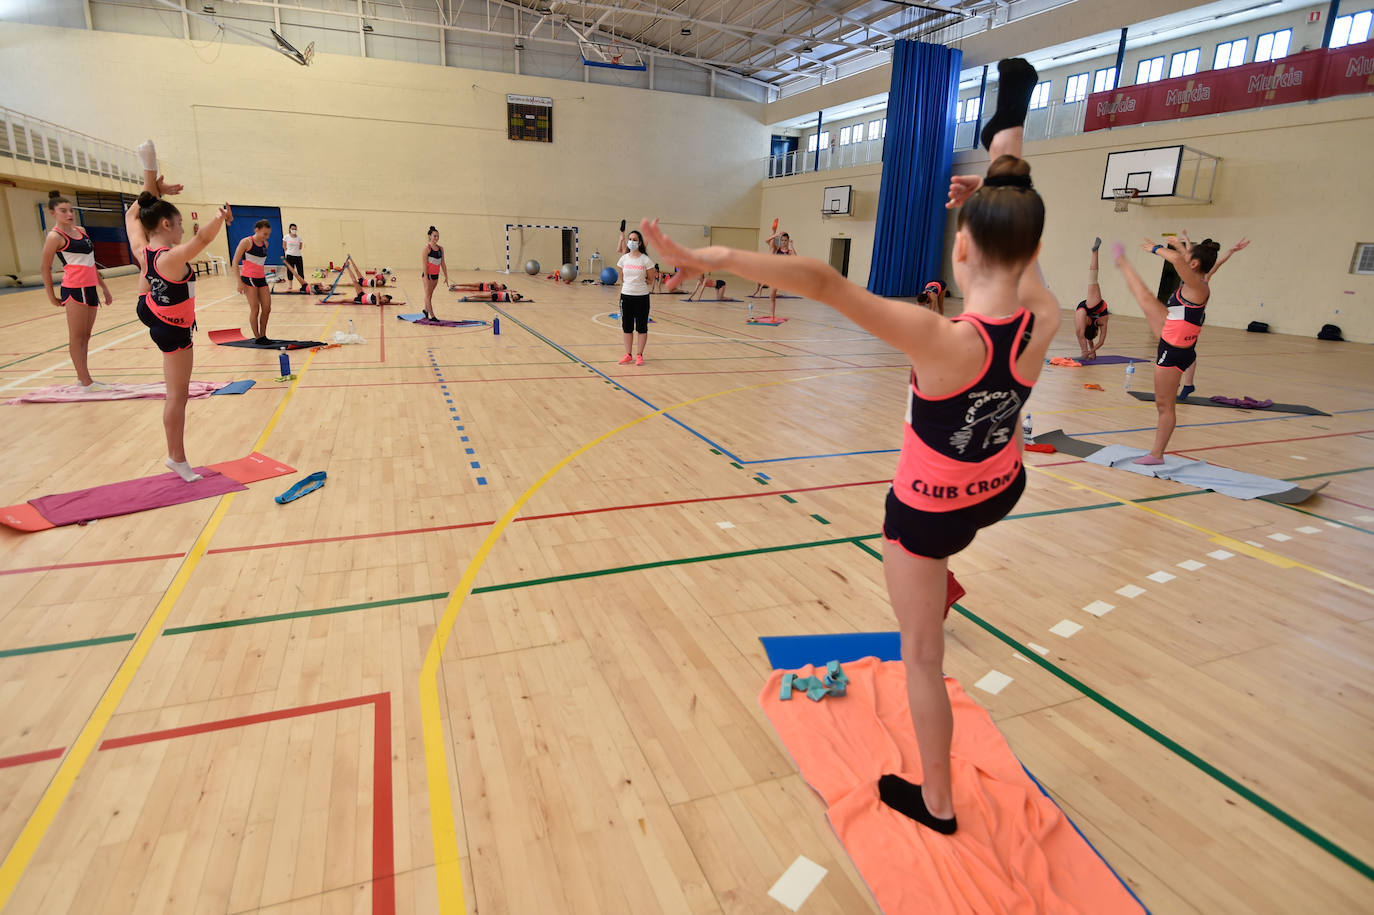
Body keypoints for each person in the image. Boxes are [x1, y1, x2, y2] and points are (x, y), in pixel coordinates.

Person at [643, 57, 1056, 837]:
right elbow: (1022, 231)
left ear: (960, 249)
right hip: (1001, 490)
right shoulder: (1046, 317)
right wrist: (1001, 182)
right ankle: (1018, 98)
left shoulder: (941, 340)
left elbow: (824, 284)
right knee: (946, 558)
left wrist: (711, 259)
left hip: (931, 515)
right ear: (1027, 247)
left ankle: (936, 804)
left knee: (923, 656)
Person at [125, 139, 229, 483]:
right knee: (177, 396)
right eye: (179, 222)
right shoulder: (170, 257)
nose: (183, 227)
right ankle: (177, 458)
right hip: (172, 327)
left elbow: (133, 214)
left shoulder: (144, 250)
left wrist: (153, 186)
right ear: (167, 226)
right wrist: (218, 217)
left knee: (147, 273)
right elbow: (200, 243)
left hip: (149, 306)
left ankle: (148, 162)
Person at [1111, 233, 1220, 464]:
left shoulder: (1199, 287)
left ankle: (1157, 455)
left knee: (1164, 405)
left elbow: (1180, 261)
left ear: (1194, 264)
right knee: (1144, 297)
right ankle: (1122, 263)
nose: (1182, 255)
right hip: (1170, 336)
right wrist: (1181, 244)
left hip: (1174, 350)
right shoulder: (1195, 283)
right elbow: (1184, 258)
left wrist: (1156, 248)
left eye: (1187, 255)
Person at [40, 195, 114, 390]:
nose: (69, 214)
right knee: (77, 336)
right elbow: (45, 267)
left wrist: (104, 288)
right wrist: (51, 295)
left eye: (71, 210)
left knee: (87, 335)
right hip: (74, 289)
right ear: (52, 213)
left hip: (90, 288)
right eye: (63, 211)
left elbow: (91, 263)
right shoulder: (55, 237)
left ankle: (84, 378)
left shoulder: (81, 231)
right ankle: (85, 380)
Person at [1169, 230, 1249, 400]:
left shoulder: (1204, 275)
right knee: (1177, 350)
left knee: (1187, 351)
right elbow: (1189, 253)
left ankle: (1186, 384)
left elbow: (1219, 262)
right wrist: (1187, 240)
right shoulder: (1191, 265)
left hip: (1190, 316)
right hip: (1177, 314)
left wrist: (1232, 251)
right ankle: (1180, 384)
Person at [615, 228, 657, 365]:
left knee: (641, 327)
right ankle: (628, 354)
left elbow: (651, 279)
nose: (632, 242)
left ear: (639, 243)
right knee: (627, 327)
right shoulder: (623, 259)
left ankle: (639, 355)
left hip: (642, 297)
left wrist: (640, 282)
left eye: (635, 240)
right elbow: (622, 277)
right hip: (626, 296)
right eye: (630, 239)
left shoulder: (646, 260)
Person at [232, 220, 274, 343]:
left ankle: (263, 335)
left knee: (266, 308)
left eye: (268, 234)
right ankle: (257, 337)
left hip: (261, 278)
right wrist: (239, 282)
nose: (267, 237)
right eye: (265, 234)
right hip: (248, 279)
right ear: (257, 229)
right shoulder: (246, 242)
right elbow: (235, 262)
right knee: (255, 308)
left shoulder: (265, 244)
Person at [1073, 238, 1110, 360]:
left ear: (1095, 330)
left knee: (1093, 278)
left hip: (1093, 306)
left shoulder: (1102, 322)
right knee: (1080, 332)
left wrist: (1091, 351)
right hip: (1086, 307)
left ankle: (1095, 252)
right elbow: (1099, 341)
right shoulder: (1100, 322)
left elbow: (1099, 341)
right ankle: (1084, 351)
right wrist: (1091, 352)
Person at [763, 227, 797, 320]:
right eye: (782, 240)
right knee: (772, 297)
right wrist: (776, 235)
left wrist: (792, 245)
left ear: (788, 241)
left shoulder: (789, 252)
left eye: (785, 240)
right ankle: (772, 316)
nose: (784, 242)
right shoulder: (777, 248)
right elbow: (766, 240)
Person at [420, 226, 448, 321]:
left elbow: (442, 263)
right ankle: (432, 316)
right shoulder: (426, 248)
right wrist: (427, 277)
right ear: (430, 236)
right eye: (434, 236)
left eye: (437, 236)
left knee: (430, 295)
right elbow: (424, 265)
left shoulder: (441, 249)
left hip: (436, 276)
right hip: (428, 275)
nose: (436, 238)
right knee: (428, 295)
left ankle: (425, 310)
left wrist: (446, 276)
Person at [282, 223, 307, 292]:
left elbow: (300, 247)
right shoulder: (286, 237)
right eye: (293, 229)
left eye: (295, 229)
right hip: (289, 256)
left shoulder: (299, 238)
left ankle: (303, 286)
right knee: (290, 271)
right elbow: (284, 246)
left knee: (300, 271)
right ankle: (290, 286)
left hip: (298, 256)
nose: (294, 230)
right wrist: (287, 253)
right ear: (290, 229)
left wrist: (295, 251)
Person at [458, 291, 525, 302]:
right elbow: (510, 293)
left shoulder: (511, 299)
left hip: (495, 299)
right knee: (480, 295)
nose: (514, 298)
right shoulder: (510, 293)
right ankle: (468, 296)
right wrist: (511, 298)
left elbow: (513, 302)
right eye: (515, 296)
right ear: (515, 294)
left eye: (515, 298)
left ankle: (467, 299)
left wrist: (529, 300)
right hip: (494, 294)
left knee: (480, 299)